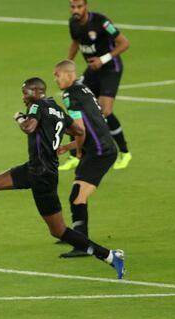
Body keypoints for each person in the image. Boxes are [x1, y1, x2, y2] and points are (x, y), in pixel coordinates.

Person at [0, 78, 125, 279]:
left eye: (25, 93)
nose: (23, 97)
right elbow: (79, 131)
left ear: (36, 91)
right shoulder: (55, 108)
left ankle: (109, 255)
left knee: (59, 231)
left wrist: (19, 118)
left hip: (42, 175)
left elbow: (29, 127)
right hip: (37, 169)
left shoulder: (37, 105)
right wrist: (67, 145)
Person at [54, 60, 118, 258]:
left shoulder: (69, 95)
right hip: (101, 147)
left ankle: (82, 244)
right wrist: (69, 146)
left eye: (57, 75)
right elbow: (92, 126)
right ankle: (74, 236)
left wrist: (78, 151)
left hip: (100, 152)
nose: (56, 79)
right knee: (76, 194)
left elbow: (80, 130)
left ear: (69, 75)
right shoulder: (83, 89)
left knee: (77, 197)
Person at [60, 0, 131, 172]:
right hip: (93, 70)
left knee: (105, 111)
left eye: (79, 7)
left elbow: (124, 43)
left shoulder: (101, 22)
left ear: (86, 7)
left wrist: (103, 59)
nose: (75, 10)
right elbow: (76, 42)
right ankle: (75, 156)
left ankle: (124, 152)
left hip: (110, 69)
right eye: (72, 7)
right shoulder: (73, 23)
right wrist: (68, 63)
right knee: (75, 103)